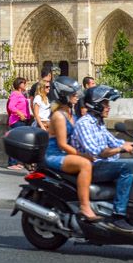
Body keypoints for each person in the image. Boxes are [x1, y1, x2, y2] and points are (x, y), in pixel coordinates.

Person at [71, 85, 133, 233]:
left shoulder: (98, 123)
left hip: (104, 165)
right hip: (94, 168)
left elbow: (115, 142)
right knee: (128, 166)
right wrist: (121, 149)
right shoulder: (84, 124)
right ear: (96, 104)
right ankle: (118, 216)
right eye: (105, 103)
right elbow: (96, 152)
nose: (108, 107)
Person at [44, 76, 99, 221]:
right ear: (63, 96)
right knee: (85, 164)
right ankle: (85, 206)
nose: (76, 95)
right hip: (56, 155)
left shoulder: (71, 113)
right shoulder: (59, 116)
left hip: (66, 153)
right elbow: (62, 145)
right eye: (72, 93)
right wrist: (83, 155)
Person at [6, 77, 30, 170]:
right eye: (23, 83)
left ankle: (15, 162)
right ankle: (12, 163)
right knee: (15, 142)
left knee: (19, 143)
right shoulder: (15, 94)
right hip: (17, 121)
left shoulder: (21, 94)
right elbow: (11, 106)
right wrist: (20, 114)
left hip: (22, 121)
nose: (25, 85)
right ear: (19, 84)